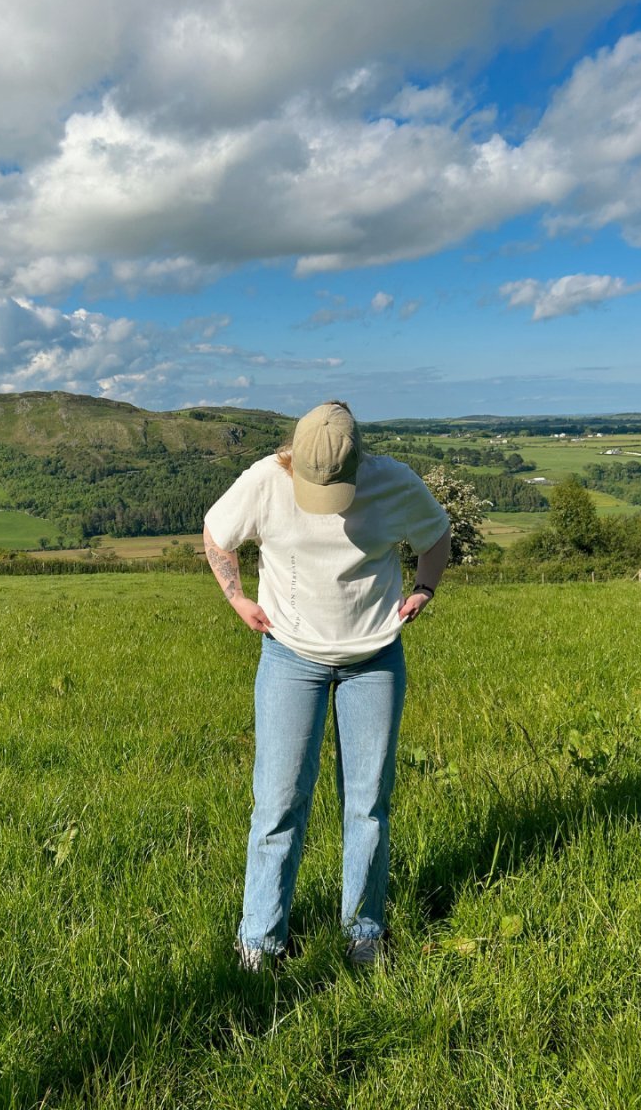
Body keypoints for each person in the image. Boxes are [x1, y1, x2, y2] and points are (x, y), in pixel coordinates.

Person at [203, 400, 450, 970]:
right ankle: (260, 941)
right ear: (292, 458)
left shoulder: (394, 483)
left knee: (367, 803)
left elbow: (436, 536)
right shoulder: (265, 481)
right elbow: (218, 536)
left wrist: (425, 588)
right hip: (291, 658)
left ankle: (364, 933)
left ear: (360, 462)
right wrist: (236, 598)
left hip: (374, 659)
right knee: (279, 802)